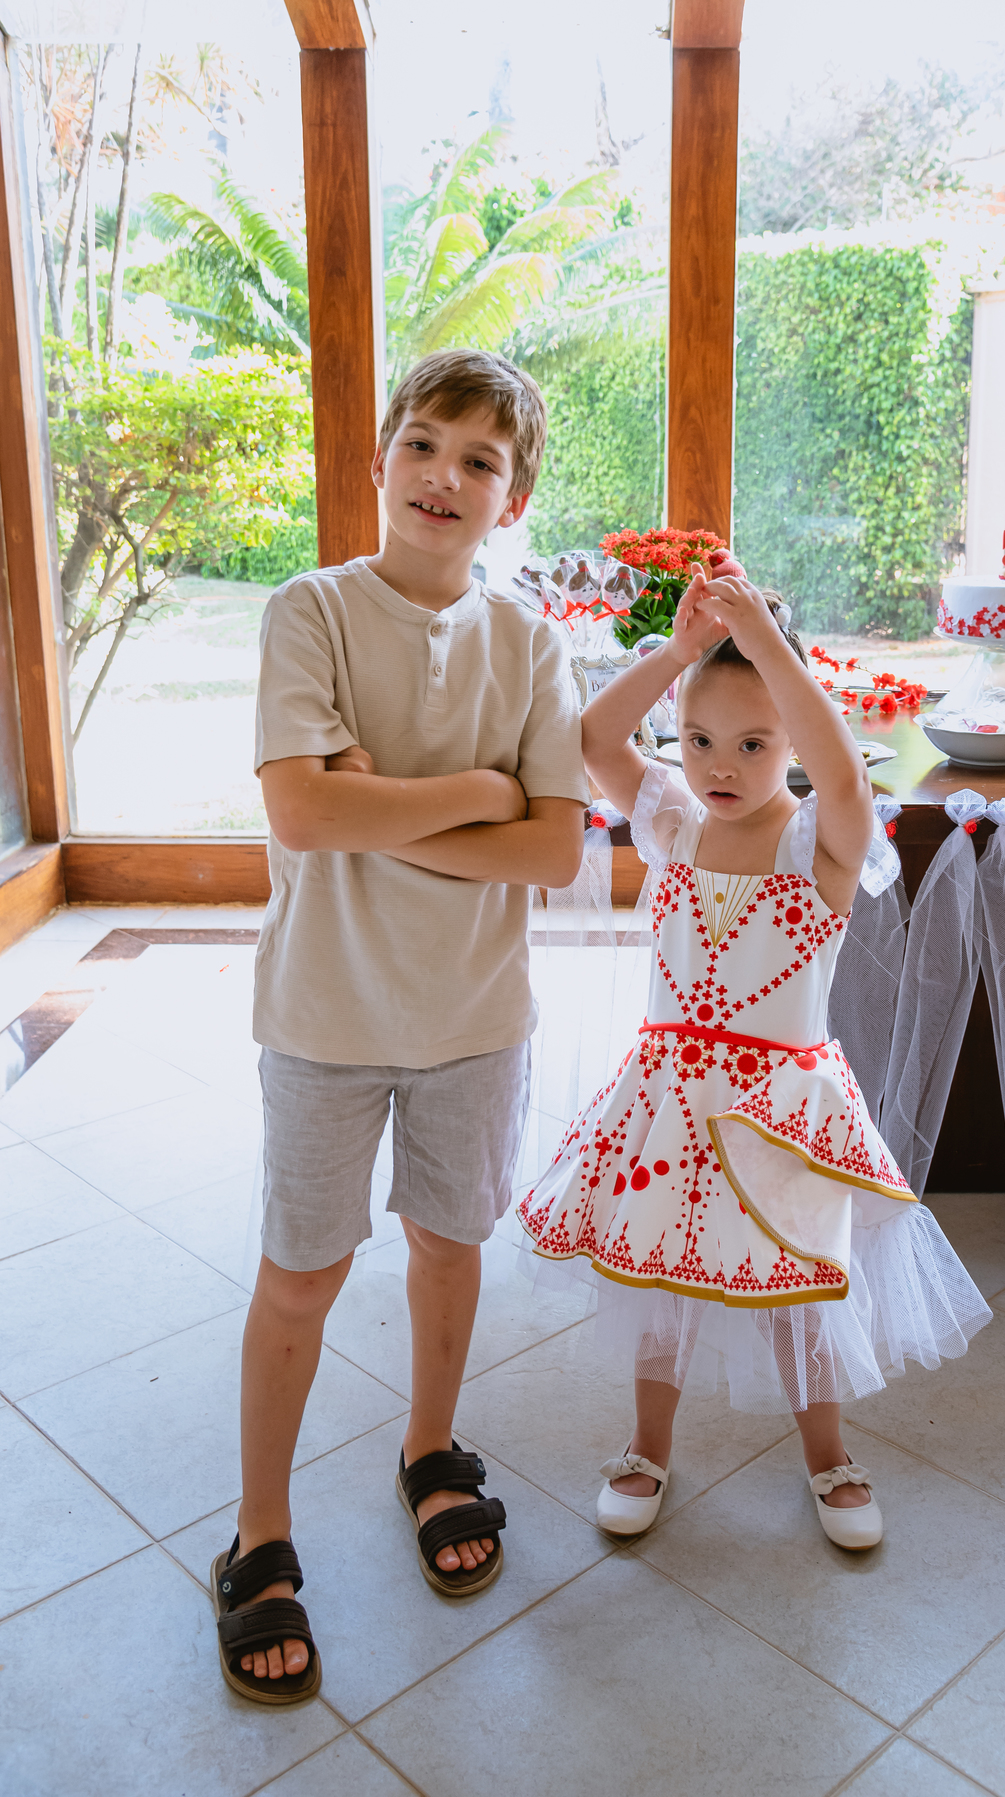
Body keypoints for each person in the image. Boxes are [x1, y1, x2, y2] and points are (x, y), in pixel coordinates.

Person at [212, 350, 589, 1704]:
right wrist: (481, 792)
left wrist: (401, 803)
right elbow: (303, 816)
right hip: (323, 1014)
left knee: (449, 1244)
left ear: (515, 495)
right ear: (380, 457)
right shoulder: (309, 611)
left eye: (480, 460)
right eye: (424, 444)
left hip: (477, 1020)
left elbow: (554, 856)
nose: (446, 476)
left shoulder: (530, 643)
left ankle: (431, 1449)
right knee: (300, 1275)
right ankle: (260, 1532)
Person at [517, 564, 990, 1549]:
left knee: (796, 1292)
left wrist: (772, 652)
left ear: (794, 743)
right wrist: (681, 652)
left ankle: (828, 1454)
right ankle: (648, 1444)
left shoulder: (820, 841)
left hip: (784, 1109)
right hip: (667, 1104)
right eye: (697, 742)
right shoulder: (675, 824)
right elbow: (595, 739)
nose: (718, 767)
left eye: (752, 744)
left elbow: (848, 774)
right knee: (664, 1279)